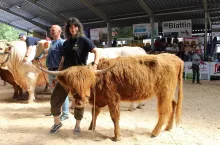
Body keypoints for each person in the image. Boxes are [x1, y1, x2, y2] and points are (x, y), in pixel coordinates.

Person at [49, 17, 100, 134]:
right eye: (71, 27)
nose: (73, 29)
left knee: (80, 101)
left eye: (75, 26)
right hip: (66, 75)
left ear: (78, 27)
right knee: (55, 99)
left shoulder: (84, 40)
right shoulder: (66, 43)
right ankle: (57, 123)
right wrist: (58, 74)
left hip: (79, 77)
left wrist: (95, 65)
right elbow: (62, 60)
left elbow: (97, 51)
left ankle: (77, 126)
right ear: (68, 29)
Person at [45, 25, 69, 121]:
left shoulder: (62, 43)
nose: (51, 32)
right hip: (51, 70)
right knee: (53, 93)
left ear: (60, 31)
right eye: (50, 30)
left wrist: (60, 72)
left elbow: (64, 59)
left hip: (58, 71)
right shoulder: (52, 43)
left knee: (62, 93)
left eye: (53, 30)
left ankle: (66, 113)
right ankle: (55, 111)